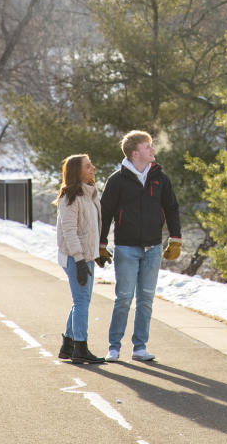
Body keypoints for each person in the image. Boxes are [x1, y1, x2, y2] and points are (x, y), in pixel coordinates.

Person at [96, 130, 181, 362]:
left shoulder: (159, 177)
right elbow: (105, 213)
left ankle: (140, 347)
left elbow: (171, 208)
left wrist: (176, 238)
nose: (152, 150)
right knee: (123, 297)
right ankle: (114, 347)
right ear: (135, 153)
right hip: (126, 248)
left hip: (153, 248)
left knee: (146, 298)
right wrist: (100, 244)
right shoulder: (117, 180)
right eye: (147, 146)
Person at [54, 153, 105, 365]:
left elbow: (91, 229)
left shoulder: (89, 194)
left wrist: (97, 252)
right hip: (75, 258)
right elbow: (69, 231)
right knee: (82, 301)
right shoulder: (70, 198)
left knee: (80, 300)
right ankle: (80, 348)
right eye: (87, 166)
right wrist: (80, 260)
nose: (92, 168)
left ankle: (68, 345)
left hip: (86, 256)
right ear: (77, 171)